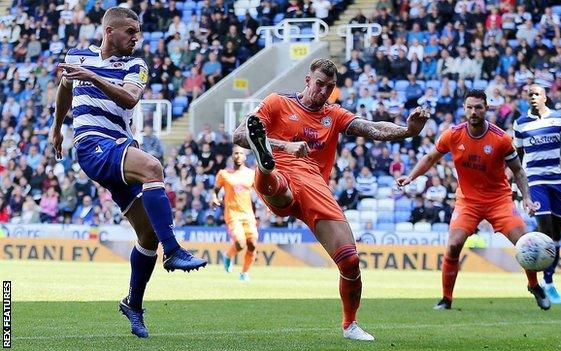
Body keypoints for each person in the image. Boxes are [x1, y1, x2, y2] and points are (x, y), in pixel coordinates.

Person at [232, 58, 430, 341]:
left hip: (315, 185)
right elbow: (239, 134)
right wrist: (283, 145)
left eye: (329, 87)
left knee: (350, 260)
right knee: (280, 188)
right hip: (283, 169)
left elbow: (373, 129)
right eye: (319, 84)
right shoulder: (277, 102)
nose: (323, 91)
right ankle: (265, 164)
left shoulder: (334, 115)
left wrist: (408, 131)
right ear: (307, 81)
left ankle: (350, 324)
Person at [52, 7, 207, 339]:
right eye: (130, 32)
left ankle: (132, 304)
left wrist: (93, 77)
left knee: (147, 235)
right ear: (110, 31)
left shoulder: (136, 66)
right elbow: (65, 87)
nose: (137, 38)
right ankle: (175, 251)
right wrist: (56, 129)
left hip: (120, 144)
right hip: (92, 144)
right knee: (153, 166)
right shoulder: (76, 55)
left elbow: (131, 98)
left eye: (138, 32)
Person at [396, 90, 550, 311]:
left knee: (526, 243)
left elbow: (518, 171)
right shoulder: (453, 134)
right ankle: (446, 299)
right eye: (469, 107)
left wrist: (526, 197)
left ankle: (534, 285)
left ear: (486, 108)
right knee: (453, 246)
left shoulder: (501, 139)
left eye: (478, 107)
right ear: (464, 109)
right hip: (468, 201)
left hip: (499, 201)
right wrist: (411, 177)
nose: (473, 111)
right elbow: (430, 157)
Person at [513, 85, 561, 304]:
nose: (533, 98)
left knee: (556, 236)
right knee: (544, 227)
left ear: (545, 97)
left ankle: (550, 281)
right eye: (530, 95)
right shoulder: (521, 124)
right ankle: (545, 282)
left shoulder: (558, 118)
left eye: (537, 94)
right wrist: (519, 188)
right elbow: (517, 157)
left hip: (556, 180)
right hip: (535, 182)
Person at [210, 145, 258, 281]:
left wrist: (268, 204)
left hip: (248, 214)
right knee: (240, 243)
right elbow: (216, 190)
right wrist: (214, 198)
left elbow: (261, 192)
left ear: (245, 156)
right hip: (232, 214)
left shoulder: (251, 174)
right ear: (232, 156)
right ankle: (228, 255)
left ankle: (244, 273)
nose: (238, 156)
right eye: (236, 153)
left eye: (241, 153)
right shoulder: (224, 174)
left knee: (252, 244)